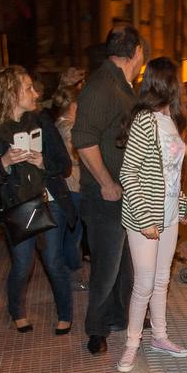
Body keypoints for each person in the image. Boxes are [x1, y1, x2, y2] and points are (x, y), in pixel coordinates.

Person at [0, 65, 76, 335]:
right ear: (11, 93)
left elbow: (64, 165)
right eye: (28, 88)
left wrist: (43, 161)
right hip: (19, 204)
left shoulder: (42, 120)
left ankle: (65, 313)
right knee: (23, 264)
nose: (35, 92)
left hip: (50, 199)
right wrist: (6, 161)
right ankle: (17, 311)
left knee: (54, 261)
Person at [113, 57, 187, 373]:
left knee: (161, 280)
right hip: (144, 218)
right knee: (144, 283)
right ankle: (132, 344)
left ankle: (159, 336)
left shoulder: (171, 121)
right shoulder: (145, 120)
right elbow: (128, 172)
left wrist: (182, 204)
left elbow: (171, 173)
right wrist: (145, 217)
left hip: (168, 215)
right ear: (169, 84)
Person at [73, 27, 145, 355]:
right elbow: (83, 139)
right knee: (106, 266)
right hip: (105, 197)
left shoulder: (121, 85)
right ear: (137, 52)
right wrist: (106, 183)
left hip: (124, 195)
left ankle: (117, 317)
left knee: (124, 265)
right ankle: (96, 329)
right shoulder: (102, 86)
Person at [51, 88, 86, 283]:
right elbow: (78, 156)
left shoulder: (56, 124)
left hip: (64, 186)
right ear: (73, 106)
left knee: (66, 232)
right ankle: (73, 274)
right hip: (74, 185)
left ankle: (67, 273)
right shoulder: (70, 128)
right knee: (74, 234)